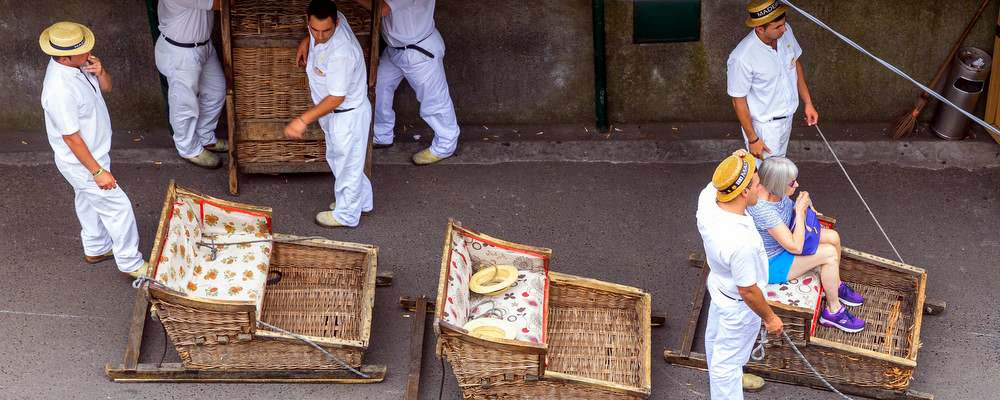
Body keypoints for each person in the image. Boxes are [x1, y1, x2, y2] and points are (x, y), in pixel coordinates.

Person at [39, 21, 147, 277]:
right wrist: (98, 172)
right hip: (82, 162)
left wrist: (101, 72)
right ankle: (131, 263)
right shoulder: (58, 89)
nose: (90, 53)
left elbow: (106, 88)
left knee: (88, 200)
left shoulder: (81, 64)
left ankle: (96, 247)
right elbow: (71, 138)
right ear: (64, 57)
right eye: (83, 51)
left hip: (95, 153)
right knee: (118, 207)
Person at [296, 0, 460, 165]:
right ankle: (382, 135)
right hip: (394, 48)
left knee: (434, 101)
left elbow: (382, 9)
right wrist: (309, 39)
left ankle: (445, 145)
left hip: (420, 52)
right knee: (379, 88)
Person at [696, 149, 782, 398]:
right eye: (756, 184)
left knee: (715, 346)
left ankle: (729, 375)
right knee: (727, 364)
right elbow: (748, 290)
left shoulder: (708, 201)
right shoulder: (740, 242)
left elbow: (719, 180)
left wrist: (741, 161)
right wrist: (770, 318)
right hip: (739, 307)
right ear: (744, 192)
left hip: (720, 291)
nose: (761, 188)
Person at [746, 157, 865, 333]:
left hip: (785, 245)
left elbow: (790, 214)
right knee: (830, 254)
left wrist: (806, 204)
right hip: (772, 263)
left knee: (833, 237)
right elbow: (795, 247)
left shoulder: (775, 192)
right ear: (778, 184)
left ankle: (835, 285)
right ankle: (833, 312)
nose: (796, 185)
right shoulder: (764, 211)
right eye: (792, 182)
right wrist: (800, 212)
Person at [284, 0, 374, 228]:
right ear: (308, 21)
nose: (321, 36)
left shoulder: (341, 52)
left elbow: (336, 97)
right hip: (336, 115)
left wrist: (303, 120)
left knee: (347, 165)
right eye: (315, 30)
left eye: (326, 31)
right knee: (341, 160)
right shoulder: (335, 18)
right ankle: (361, 201)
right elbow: (317, 34)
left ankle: (346, 214)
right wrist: (307, 41)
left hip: (347, 114)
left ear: (335, 23)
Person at [727, 0, 818, 161]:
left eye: (784, 24)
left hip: (787, 119)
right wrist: (753, 139)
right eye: (777, 27)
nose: (784, 29)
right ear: (760, 28)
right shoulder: (741, 57)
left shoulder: (786, 31)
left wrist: (808, 102)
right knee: (765, 179)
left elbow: (795, 64)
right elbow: (738, 101)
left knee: (779, 175)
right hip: (764, 127)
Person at [154, 0, 228, 168]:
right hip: (181, 52)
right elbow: (220, 3)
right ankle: (188, 148)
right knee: (184, 104)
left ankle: (205, 137)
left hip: (203, 46)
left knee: (217, 91)